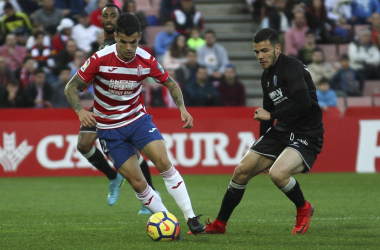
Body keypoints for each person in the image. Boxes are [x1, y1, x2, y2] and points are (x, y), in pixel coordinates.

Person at [64, 13, 205, 235]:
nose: (129, 48)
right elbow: (71, 87)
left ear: (139, 37)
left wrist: (182, 108)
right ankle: (169, 222)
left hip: (137, 120)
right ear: (116, 37)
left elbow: (170, 82)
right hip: (109, 129)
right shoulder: (100, 59)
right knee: (139, 183)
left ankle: (191, 217)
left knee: (163, 162)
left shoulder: (146, 59)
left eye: (133, 42)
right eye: (123, 42)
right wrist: (80, 111)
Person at [202, 28, 324, 235]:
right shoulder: (267, 76)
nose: (260, 56)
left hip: (306, 133)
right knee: (241, 171)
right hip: (282, 130)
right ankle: (219, 224)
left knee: (278, 174)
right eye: (256, 52)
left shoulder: (292, 66)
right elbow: (268, 112)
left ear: (277, 48)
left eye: (265, 50)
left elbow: (304, 103)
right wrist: (264, 149)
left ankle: (304, 207)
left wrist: (272, 115)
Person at [71, 3, 159, 215]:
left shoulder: (122, 44)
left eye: (113, 16)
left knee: (132, 152)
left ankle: (151, 195)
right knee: (83, 145)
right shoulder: (103, 44)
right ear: (101, 20)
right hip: (102, 104)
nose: (109, 19)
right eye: (106, 16)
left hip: (123, 107)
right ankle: (113, 177)